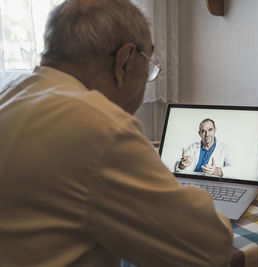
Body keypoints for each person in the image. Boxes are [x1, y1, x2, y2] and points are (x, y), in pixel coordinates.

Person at [0, 1, 233, 266]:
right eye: (149, 67)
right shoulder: (100, 127)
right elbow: (210, 248)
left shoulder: (11, 94)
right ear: (124, 62)